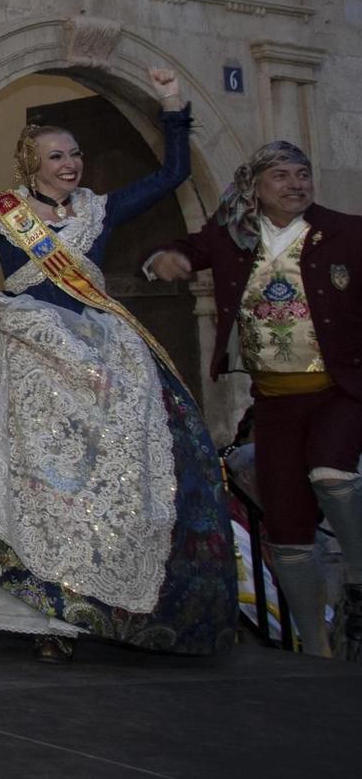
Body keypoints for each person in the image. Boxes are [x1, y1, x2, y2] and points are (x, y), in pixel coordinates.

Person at [0, 69, 234, 660]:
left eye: (76, 153)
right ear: (32, 164)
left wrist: (172, 106)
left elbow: (173, 175)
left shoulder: (99, 209)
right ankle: (37, 610)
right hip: (32, 346)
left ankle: (95, 598)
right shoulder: (3, 212)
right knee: (36, 480)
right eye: (57, 155)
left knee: (125, 463)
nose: (71, 163)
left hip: (101, 347)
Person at [146, 141, 362, 659]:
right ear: (255, 187)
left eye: (302, 174)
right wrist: (165, 259)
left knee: (331, 476)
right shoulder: (233, 238)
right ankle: (316, 648)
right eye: (281, 176)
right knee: (288, 531)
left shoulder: (347, 232)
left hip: (341, 391)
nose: (295, 184)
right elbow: (187, 248)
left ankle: (358, 580)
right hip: (274, 402)